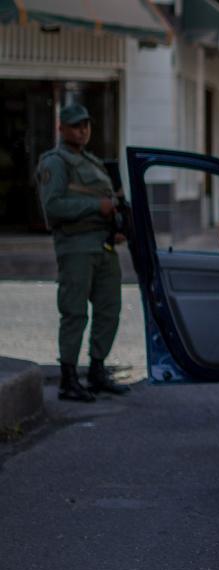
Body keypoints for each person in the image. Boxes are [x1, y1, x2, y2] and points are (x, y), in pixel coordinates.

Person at [36, 102, 129, 402]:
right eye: (77, 125)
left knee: (109, 311)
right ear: (61, 128)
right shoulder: (55, 162)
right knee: (74, 313)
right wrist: (96, 206)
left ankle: (97, 372)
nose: (83, 130)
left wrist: (116, 225)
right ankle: (68, 378)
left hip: (103, 246)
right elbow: (53, 206)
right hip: (75, 247)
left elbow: (109, 202)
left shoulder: (94, 162)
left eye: (86, 125)